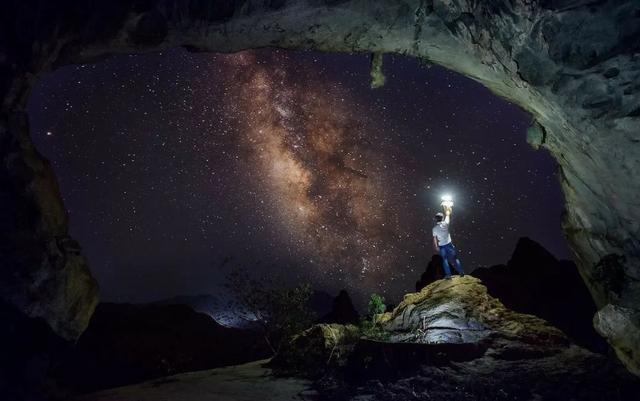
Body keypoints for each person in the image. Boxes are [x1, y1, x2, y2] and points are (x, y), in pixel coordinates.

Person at [432, 204, 464, 280]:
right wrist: (447, 206)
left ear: (436, 219)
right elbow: (448, 213)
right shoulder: (446, 223)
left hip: (441, 246)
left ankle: (448, 275)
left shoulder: (434, 229)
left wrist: (436, 246)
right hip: (449, 244)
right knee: (455, 258)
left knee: (445, 260)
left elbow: (435, 239)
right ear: (442, 218)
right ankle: (461, 272)